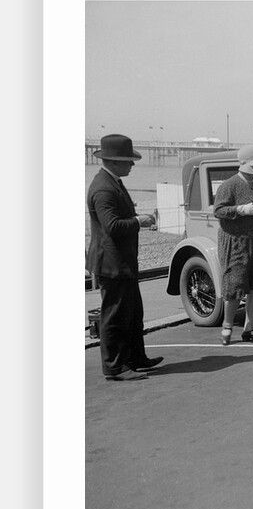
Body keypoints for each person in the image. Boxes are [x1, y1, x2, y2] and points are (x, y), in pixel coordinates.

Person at [86, 134, 162, 381]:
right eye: (128, 161)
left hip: (121, 262)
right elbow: (112, 226)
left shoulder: (112, 182)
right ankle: (114, 367)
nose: (132, 165)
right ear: (114, 161)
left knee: (133, 313)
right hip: (112, 263)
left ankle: (135, 358)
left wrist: (134, 217)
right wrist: (139, 221)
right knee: (115, 316)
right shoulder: (104, 188)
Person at [214, 145, 253, 345]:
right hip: (236, 243)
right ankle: (227, 327)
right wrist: (241, 209)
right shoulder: (229, 185)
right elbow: (218, 211)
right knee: (235, 285)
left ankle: (249, 329)